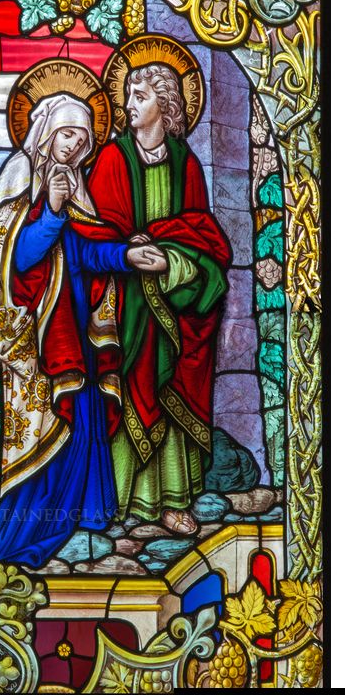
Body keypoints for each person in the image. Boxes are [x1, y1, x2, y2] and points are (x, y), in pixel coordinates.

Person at [0, 92, 166, 567]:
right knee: (46, 427)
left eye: (82, 139)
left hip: (78, 336)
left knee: (82, 418)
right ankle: (27, 532)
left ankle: (84, 516)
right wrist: (53, 211)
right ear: (46, 133)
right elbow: (19, 260)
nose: (72, 146)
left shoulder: (77, 190)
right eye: (67, 134)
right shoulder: (17, 190)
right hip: (41, 343)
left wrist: (126, 255)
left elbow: (88, 251)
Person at [87, 61, 232, 535]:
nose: (129, 106)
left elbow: (202, 236)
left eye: (140, 97)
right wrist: (128, 255)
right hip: (125, 300)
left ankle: (173, 501)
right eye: (128, 96)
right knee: (130, 387)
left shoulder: (185, 162)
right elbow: (95, 233)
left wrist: (171, 261)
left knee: (170, 388)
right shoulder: (111, 158)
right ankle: (121, 500)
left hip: (174, 301)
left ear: (165, 104)